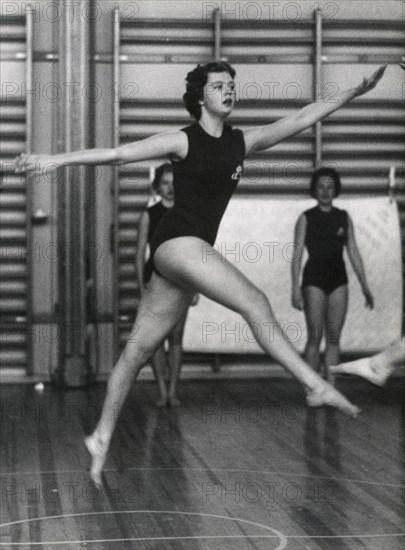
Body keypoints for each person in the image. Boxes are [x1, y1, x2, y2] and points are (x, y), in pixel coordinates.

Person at [16, 61, 388, 487]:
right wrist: (54, 160)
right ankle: (313, 384)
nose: (229, 90)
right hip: (177, 242)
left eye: (232, 84)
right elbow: (117, 153)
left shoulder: (242, 142)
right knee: (256, 302)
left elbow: (303, 117)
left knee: (137, 351)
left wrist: (355, 92)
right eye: (219, 86)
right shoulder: (183, 139)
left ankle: (100, 437)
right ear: (200, 97)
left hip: (182, 257)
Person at [291, 167, 374, 378]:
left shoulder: (343, 217)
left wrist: (365, 286)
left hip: (338, 279)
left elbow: (354, 252)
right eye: (321, 186)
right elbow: (297, 254)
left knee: (334, 338)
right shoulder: (306, 218)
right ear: (314, 190)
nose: (325, 191)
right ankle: (312, 387)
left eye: (330, 187)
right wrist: (295, 288)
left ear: (336, 190)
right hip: (314, 280)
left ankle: (330, 389)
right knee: (314, 336)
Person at [136, 163, 192, 407]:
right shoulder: (149, 215)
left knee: (177, 338)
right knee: (156, 339)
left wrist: (196, 286)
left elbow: (196, 253)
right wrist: (141, 287)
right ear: (157, 186)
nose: (171, 188)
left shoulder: (188, 214)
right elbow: (139, 255)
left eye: (175, 182)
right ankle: (161, 392)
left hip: (181, 281)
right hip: (155, 280)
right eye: (166, 183)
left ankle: (173, 392)